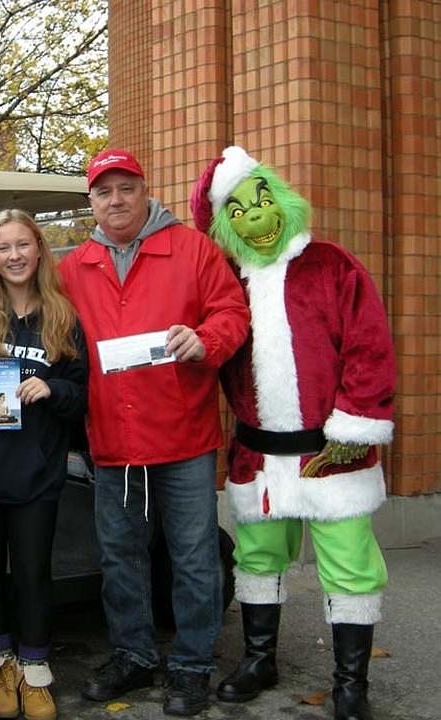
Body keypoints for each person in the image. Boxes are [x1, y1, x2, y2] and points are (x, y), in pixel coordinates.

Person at [189, 146, 396, 720]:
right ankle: (261, 659)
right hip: (259, 456)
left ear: (278, 195)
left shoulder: (332, 265)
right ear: (224, 225)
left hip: (335, 452)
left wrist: (357, 422)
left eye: (259, 199)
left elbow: (369, 348)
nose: (254, 216)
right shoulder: (227, 284)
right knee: (257, 559)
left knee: (349, 563)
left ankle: (351, 681)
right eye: (237, 210)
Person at [61, 149, 250, 716]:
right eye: (103, 192)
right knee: (121, 556)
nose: (115, 200)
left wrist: (206, 340)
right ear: (90, 201)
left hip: (184, 437)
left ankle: (192, 664)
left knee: (193, 556)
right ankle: (134, 655)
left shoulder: (192, 249)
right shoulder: (75, 266)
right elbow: (33, 313)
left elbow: (232, 313)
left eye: (126, 188)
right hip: (114, 441)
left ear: (145, 191)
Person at [0, 210, 88, 720]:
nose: (14, 256)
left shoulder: (61, 316)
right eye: (3, 247)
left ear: (38, 251)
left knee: (32, 573)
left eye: (23, 245)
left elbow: (81, 392)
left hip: (36, 473)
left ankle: (34, 670)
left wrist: (53, 388)